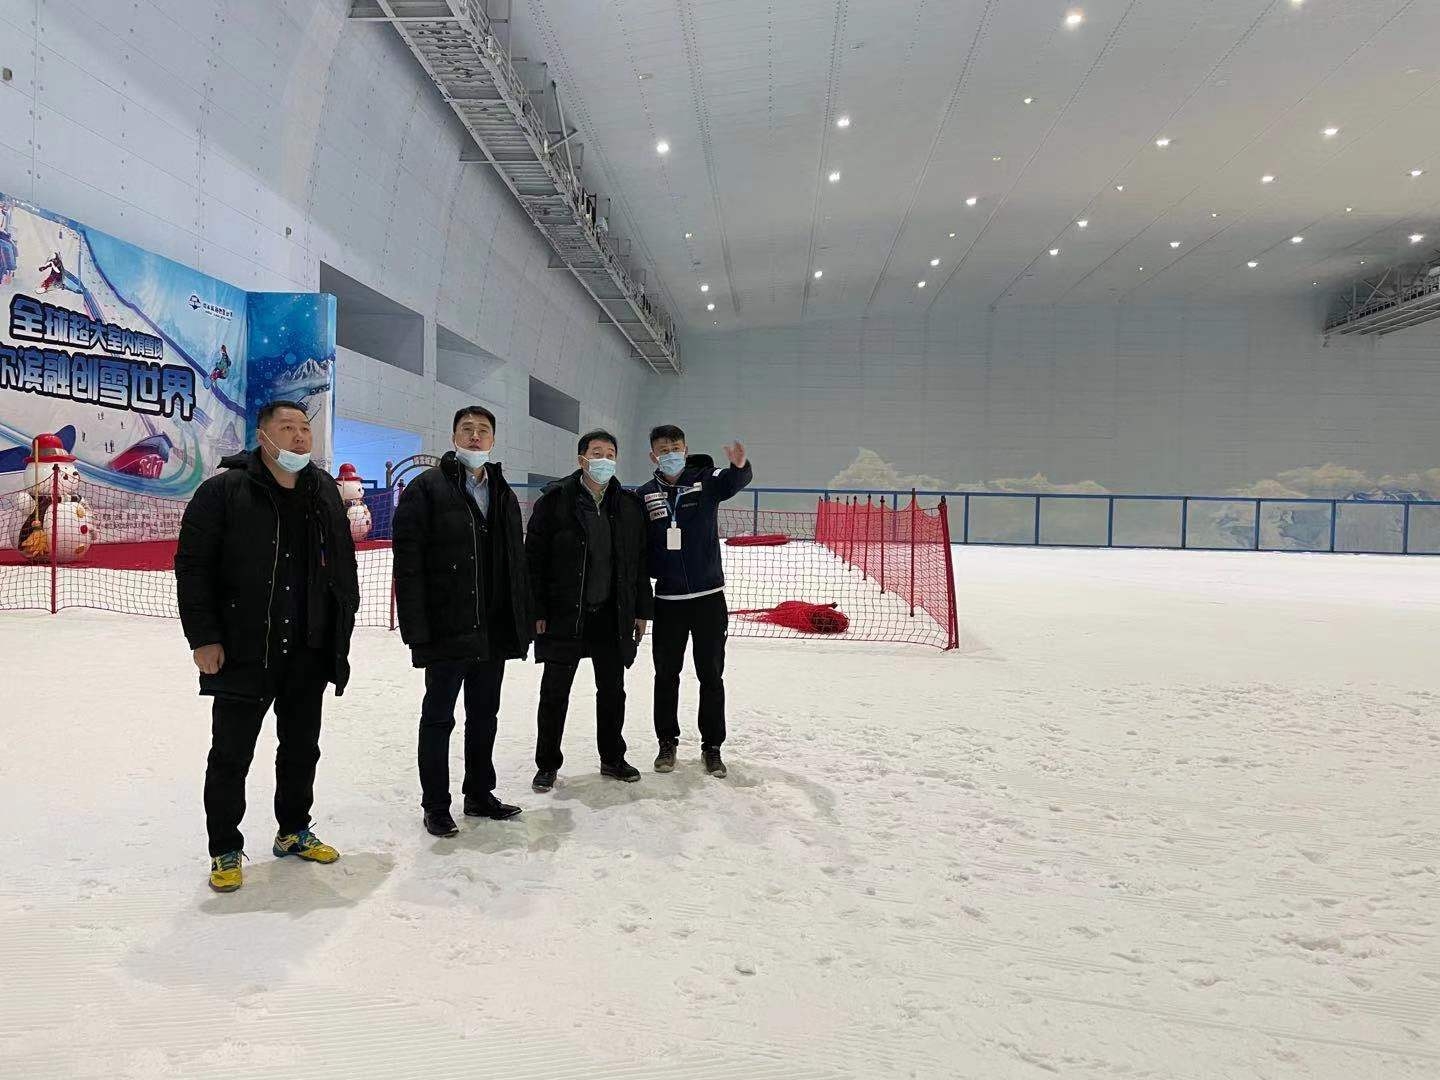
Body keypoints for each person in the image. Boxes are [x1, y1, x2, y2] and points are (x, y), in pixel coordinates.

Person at [175, 400, 359, 893]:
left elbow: (342, 562)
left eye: (305, 429)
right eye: (287, 427)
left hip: (309, 648)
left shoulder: (322, 491)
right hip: (244, 648)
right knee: (231, 754)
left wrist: (340, 625)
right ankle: (224, 847)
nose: (300, 437)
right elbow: (193, 567)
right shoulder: (224, 492)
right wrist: (203, 637)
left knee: (301, 749)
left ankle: (293, 829)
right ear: (263, 436)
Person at [392, 406, 532, 838]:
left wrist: (520, 620)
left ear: (493, 440)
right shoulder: (427, 488)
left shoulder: (503, 492)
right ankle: (436, 805)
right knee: (438, 718)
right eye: (467, 429)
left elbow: (515, 562)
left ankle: (479, 793)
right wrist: (417, 629)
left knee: (484, 715)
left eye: (483, 430)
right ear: (453, 437)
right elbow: (408, 564)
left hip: (493, 628)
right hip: (446, 627)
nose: (475, 436)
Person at [525, 430, 653, 792]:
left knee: (612, 691)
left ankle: (612, 758)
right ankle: (547, 763)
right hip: (565, 614)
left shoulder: (628, 506)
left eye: (610, 453)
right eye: (597, 453)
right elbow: (533, 561)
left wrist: (640, 610)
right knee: (554, 693)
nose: (604, 460)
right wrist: (537, 609)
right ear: (581, 459)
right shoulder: (554, 502)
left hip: (611, 616)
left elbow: (638, 564)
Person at [636, 425, 752, 779]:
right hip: (668, 600)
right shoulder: (644, 494)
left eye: (676, 447)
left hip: (708, 599)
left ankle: (712, 747)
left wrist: (739, 467)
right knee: (665, 675)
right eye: (663, 449)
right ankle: (666, 742)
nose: (670, 453)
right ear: (653, 455)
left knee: (711, 675)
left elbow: (731, 482)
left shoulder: (705, 480)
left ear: (685, 450)